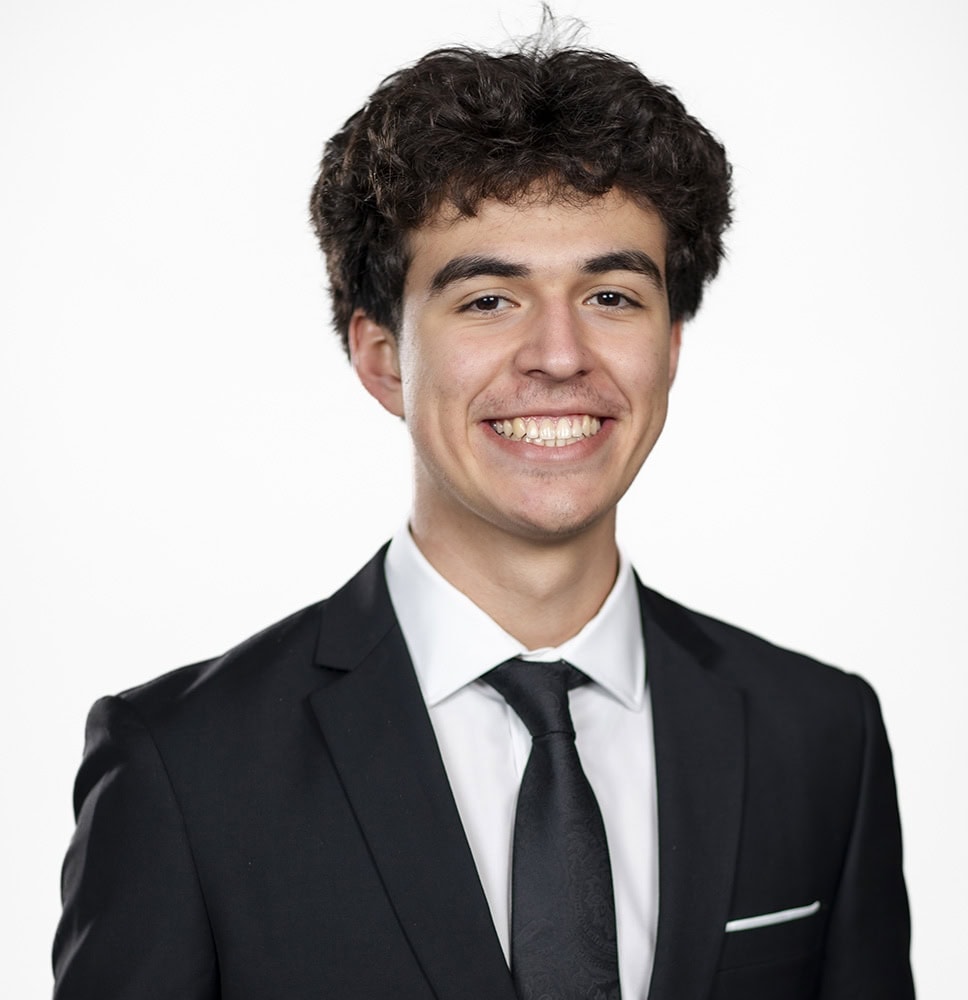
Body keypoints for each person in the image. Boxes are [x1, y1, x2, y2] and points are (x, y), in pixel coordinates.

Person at [52, 29, 915, 1000]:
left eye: (610, 294)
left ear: (670, 346)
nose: (559, 354)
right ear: (381, 357)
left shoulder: (819, 734)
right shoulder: (184, 764)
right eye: (489, 300)